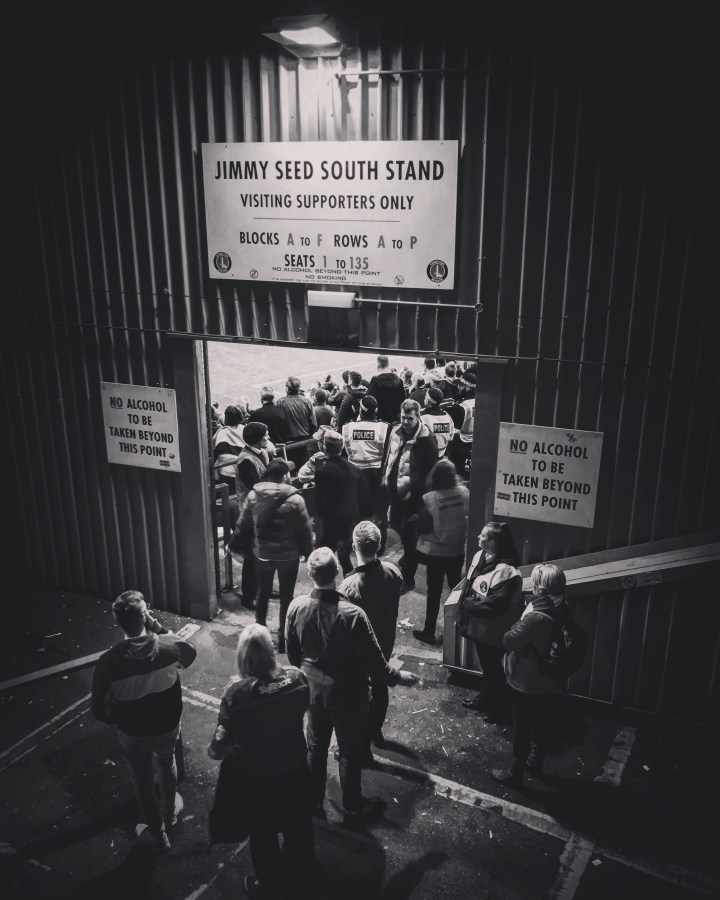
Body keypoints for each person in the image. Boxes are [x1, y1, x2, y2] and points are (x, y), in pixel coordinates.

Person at [285, 548, 419, 821]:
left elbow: (292, 653)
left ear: (309, 573)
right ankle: (353, 804)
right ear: (336, 572)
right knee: (350, 751)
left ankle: (313, 802)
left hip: (312, 692)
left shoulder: (296, 607)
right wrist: (398, 678)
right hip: (349, 696)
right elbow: (374, 663)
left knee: (316, 747)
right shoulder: (353, 615)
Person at [208, 624, 319, 899]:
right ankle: (305, 876)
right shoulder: (298, 678)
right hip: (295, 770)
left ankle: (269, 887)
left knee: (263, 835)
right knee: (300, 827)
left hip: (257, 780)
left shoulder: (236, 694)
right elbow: (306, 704)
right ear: (271, 651)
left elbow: (218, 749)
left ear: (242, 657)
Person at [91, 590, 197, 853]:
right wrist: (158, 627)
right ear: (145, 616)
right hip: (168, 725)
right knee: (166, 761)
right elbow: (188, 653)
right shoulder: (169, 648)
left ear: (119, 621)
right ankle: (170, 813)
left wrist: (119, 718)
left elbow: (100, 711)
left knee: (142, 780)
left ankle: (158, 835)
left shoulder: (109, 663)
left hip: (134, 732)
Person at [492, 564, 570, 787]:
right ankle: (536, 761)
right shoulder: (561, 605)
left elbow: (509, 640)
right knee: (540, 719)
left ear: (541, 588)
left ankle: (515, 773)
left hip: (528, 679)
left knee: (523, 726)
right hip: (548, 677)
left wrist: (519, 621)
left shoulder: (537, 616)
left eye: (535, 582)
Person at [338, 521, 402, 758]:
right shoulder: (393, 571)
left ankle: (361, 748)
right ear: (380, 545)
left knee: (360, 698)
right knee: (380, 685)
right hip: (385, 643)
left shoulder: (348, 587)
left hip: (359, 653)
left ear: (354, 547)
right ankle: (376, 731)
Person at [236, 459, 313, 653]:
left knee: (262, 593)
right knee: (287, 597)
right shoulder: (295, 498)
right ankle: (284, 641)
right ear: (284, 476)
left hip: (263, 554)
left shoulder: (254, 495)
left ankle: (260, 639)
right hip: (289, 556)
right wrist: (307, 552)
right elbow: (305, 529)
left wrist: (233, 543)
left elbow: (243, 524)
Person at [456, 521, 524, 721]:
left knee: (493, 669)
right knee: (488, 666)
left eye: (483, 535)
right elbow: (469, 587)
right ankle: (484, 699)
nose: (478, 537)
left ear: (493, 541)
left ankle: (502, 710)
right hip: (479, 628)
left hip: (494, 631)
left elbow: (495, 606)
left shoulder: (506, 571)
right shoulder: (480, 556)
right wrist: (461, 613)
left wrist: (467, 606)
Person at [381, 399, 439, 594]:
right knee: (398, 528)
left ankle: (409, 578)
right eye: (403, 417)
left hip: (413, 499)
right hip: (396, 493)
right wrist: (385, 478)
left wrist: (420, 504)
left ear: (418, 416)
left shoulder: (427, 441)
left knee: (409, 537)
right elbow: (389, 456)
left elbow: (428, 476)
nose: (405, 422)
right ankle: (408, 557)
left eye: (410, 419)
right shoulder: (396, 431)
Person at [413, 459, 469, 645]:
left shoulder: (430, 498)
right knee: (456, 590)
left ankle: (429, 631)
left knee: (434, 592)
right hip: (457, 550)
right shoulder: (463, 493)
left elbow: (422, 525)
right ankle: (458, 632)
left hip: (436, 552)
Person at [313, 429, 371, 575]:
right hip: (351, 516)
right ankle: (350, 579)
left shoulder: (324, 471)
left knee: (325, 553)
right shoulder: (353, 468)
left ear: (325, 447)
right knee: (345, 551)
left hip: (332, 519)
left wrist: (322, 515)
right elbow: (365, 494)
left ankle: (325, 582)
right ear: (342, 447)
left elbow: (320, 498)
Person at [341, 394, 390, 554]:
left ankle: (358, 544)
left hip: (355, 474)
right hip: (377, 474)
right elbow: (388, 453)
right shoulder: (384, 427)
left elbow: (346, 451)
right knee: (380, 511)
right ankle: (379, 546)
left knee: (357, 512)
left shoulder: (347, 427)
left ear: (360, 409)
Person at [232, 422, 273, 611]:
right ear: (257, 439)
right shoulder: (245, 460)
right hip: (250, 515)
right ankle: (248, 596)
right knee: (252, 556)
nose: (268, 438)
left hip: (263, 511)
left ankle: (264, 588)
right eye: (265, 435)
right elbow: (258, 486)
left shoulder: (262, 452)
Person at [277, 376, 316, 468]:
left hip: (288, 441)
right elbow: (313, 423)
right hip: (304, 440)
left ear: (287, 389)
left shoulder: (280, 402)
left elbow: (278, 423)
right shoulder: (307, 401)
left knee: (291, 468)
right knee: (304, 468)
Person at [213, 404, 247, 491]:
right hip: (244, 472)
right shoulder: (245, 429)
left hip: (227, 474)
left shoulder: (220, 432)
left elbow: (213, 453)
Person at [366, 354, 406, 424]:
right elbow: (403, 399)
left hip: (381, 419)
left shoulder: (376, 381)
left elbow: (370, 401)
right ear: (388, 364)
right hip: (395, 418)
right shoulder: (399, 380)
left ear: (378, 366)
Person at [420, 387, 456, 458]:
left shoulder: (423, 418)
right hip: (441, 454)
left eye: (425, 397)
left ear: (428, 401)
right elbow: (451, 437)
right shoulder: (447, 416)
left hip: (427, 455)